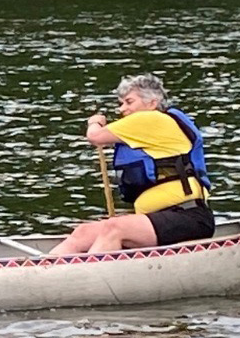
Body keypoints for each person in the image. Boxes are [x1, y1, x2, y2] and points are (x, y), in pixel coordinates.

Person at [49, 74, 214, 256]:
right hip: (161, 218)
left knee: (114, 228)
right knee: (84, 232)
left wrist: (94, 122)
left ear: (151, 103)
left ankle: (83, 276)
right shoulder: (150, 128)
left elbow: (96, 136)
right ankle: (43, 270)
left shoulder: (151, 119)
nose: (123, 109)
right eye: (122, 103)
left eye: (129, 102)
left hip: (188, 218)